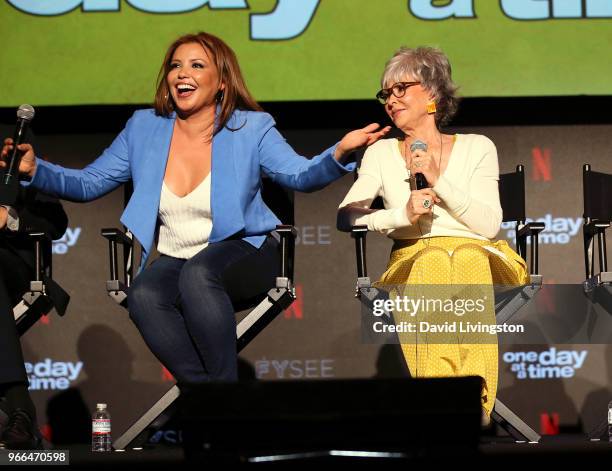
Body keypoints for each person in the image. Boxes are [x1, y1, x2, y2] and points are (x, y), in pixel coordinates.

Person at [1, 32, 389, 385]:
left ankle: (220, 396)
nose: (181, 74)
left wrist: (339, 152)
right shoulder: (143, 128)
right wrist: (36, 170)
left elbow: (301, 176)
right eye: (175, 65)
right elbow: (89, 183)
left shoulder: (251, 128)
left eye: (196, 65)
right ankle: (208, 394)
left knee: (200, 274)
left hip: (246, 251)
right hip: (176, 257)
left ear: (222, 81)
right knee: (145, 294)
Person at [337, 46, 528, 422]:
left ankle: (475, 397)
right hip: (413, 258)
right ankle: (448, 404)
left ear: (432, 93)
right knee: (432, 260)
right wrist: (399, 215)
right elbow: (347, 216)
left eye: (400, 89)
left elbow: (489, 226)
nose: (390, 101)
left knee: (467, 256)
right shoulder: (381, 154)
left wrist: (440, 181)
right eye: (385, 94)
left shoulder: (477, 147)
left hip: (483, 257)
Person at [0, 186, 68, 449]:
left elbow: (56, 222)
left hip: (12, 267)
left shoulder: (16, 157)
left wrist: (10, 218)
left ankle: (19, 405)